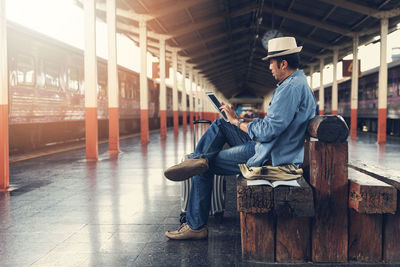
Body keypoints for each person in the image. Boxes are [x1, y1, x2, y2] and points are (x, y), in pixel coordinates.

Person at [163, 36, 316, 240]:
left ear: (283, 63)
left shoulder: (290, 88)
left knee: (204, 164)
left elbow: (268, 131)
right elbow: (273, 128)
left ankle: (195, 224)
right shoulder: (295, 83)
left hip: (270, 155)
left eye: (271, 62)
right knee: (221, 123)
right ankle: (198, 158)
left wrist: (238, 123)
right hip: (269, 146)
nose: (270, 67)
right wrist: (234, 120)